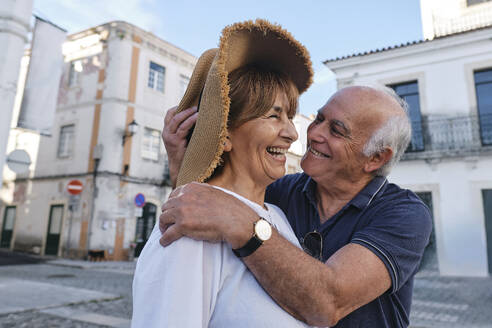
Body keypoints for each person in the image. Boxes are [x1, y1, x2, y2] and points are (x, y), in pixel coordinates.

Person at [159, 84, 433, 327]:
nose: (312, 133)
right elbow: (201, 211)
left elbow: (328, 304)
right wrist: (182, 165)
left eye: (336, 130)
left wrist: (246, 225)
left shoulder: (404, 214)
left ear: (375, 158)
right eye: (320, 119)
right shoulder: (280, 190)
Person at [132, 19, 315, 327]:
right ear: (224, 134)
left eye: (291, 117)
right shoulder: (191, 228)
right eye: (274, 115)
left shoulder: (277, 218)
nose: (292, 134)